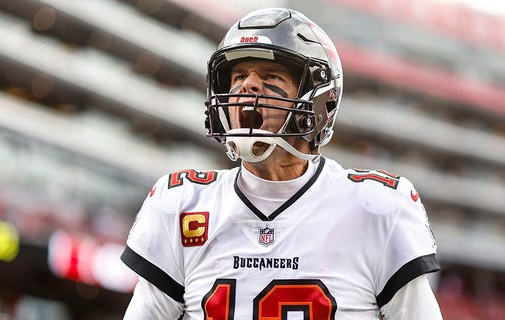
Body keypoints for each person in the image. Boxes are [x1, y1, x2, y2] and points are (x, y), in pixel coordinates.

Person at [121, 7, 442, 319]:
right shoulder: (183, 204)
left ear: (319, 100)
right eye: (237, 76)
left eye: (270, 75)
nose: (247, 86)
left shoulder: (375, 208)